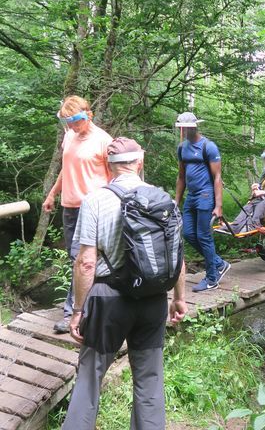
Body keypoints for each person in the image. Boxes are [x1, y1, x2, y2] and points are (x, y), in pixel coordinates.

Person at [62, 137, 188, 430]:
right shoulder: (164, 200)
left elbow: (86, 263)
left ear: (109, 165)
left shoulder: (95, 200)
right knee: (149, 380)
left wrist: (78, 311)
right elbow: (177, 256)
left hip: (108, 300)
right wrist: (178, 298)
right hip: (154, 300)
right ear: (139, 161)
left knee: (90, 377)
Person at [42, 96, 113, 334]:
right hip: (70, 206)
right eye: (67, 122)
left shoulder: (103, 141)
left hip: (93, 208)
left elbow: (114, 179)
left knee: (82, 259)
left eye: (75, 121)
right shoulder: (70, 136)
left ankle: (73, 313)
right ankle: (89, 308)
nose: (72, 126)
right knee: (79, 260)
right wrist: (52, 194)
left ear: (87, 115)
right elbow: (67, 167)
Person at [175, 112, 230, 292]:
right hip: (191, 196)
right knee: (189, 234)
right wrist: (176, 201)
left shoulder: (208, 147)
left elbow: (217, 177)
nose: (183, 132)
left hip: (206, 196)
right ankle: (219, 263)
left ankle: (212, 278)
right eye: (181, 129)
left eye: (186, 128)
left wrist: (219, 205)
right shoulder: (182, 148)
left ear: (195, 127)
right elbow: (181, 176)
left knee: (204, 236)